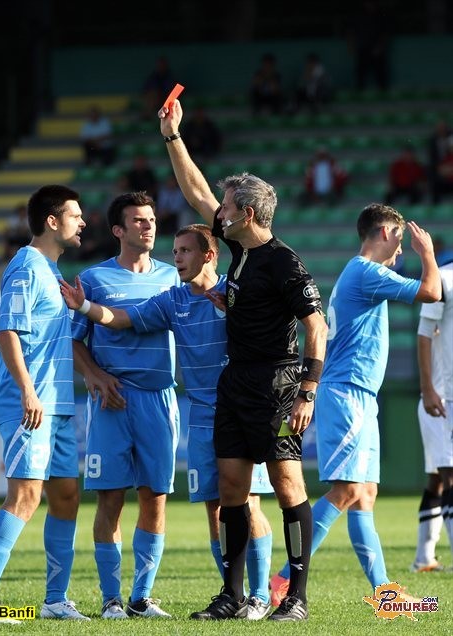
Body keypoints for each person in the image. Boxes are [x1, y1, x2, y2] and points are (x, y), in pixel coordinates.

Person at [159, 99, 328, 622]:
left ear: (246, 214)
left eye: (228, 206)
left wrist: (307, 392)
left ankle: (295, 597)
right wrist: (172, 137)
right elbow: (197, 191)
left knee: (287, 486)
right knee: (231, 488)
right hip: (236, 382)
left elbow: (317, 327)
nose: (219, 212)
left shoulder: (283, 262)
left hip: (279, 384)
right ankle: (231, 595)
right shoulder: (240, 254)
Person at [60, 223, 275, 619]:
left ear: (208, 255)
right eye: (174, 251)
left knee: (248, 502)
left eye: (184, 251)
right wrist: (85, 306)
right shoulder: (173, 300)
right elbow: (121, 318)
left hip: (243, 410)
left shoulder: (236, 292)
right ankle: (233, 594)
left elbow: (277, 328)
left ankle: (261, 596)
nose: (176, 258)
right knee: (215, 508)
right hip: (202, 416)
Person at [270, 203, 442, 606]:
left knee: (364, 493)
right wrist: (428, 254)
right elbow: (431, 292)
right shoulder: (366, 271)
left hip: (360, 394)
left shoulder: (361, 273)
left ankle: (384, 594)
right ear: (385, 233)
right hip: (346, 392)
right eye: (400, 239)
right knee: (347, 489)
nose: (401, 249)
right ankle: (282, 581)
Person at [0, 185, 89, 623]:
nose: (83, 221)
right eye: (75, 215)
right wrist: (28, 390)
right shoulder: (26, 267)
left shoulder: (51, 271)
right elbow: (7, 332)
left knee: (66, 496)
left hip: (58, 404)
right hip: (29, 404)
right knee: (25, 496)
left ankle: (54, 601)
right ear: (52, 221)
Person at [70, 191, 180, 619]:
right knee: (110, 498)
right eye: (137, 220)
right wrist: (94, 374)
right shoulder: (94, 279)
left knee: (155, 498)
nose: (147, 225)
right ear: (118, 230)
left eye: (151, 219)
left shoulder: (172, 277)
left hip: (159, 398)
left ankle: (141, 598)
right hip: (111, 402)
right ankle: (111, 598)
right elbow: (73, 340)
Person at [412, 259, 453, 572]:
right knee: (449, 475)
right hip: (442, 399)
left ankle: (424, 557)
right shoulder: (443, 279)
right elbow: (424, 333)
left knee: (438, 479)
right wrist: (427, 389)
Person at [141, 55, 176, 120]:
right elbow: (146, 89)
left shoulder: (170, 77)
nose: (161, 66)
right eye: (159, 65)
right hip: (155, 100)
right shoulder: (153, 76)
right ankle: (147, 115)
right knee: (152, 95)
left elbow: (171, 90)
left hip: (166, 99)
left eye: (162, 65)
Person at [249, 52, 284, 117]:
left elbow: (274, 89)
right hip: (261, 96)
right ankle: (256, 112)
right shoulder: (259, 73)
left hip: (271, 96)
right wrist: (264, 77)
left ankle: (277, 113)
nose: (267, 66)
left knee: (279, 95)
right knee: (254, 92)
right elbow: (256, 85)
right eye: (265, 64)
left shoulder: (276, 75)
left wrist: (270, 76)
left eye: (269, 64)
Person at [427, 120, 452, 203]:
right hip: (441, 169)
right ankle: (435, 204)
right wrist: (440, 168)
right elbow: (433, 158)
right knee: (435, 180)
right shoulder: (433, 140)